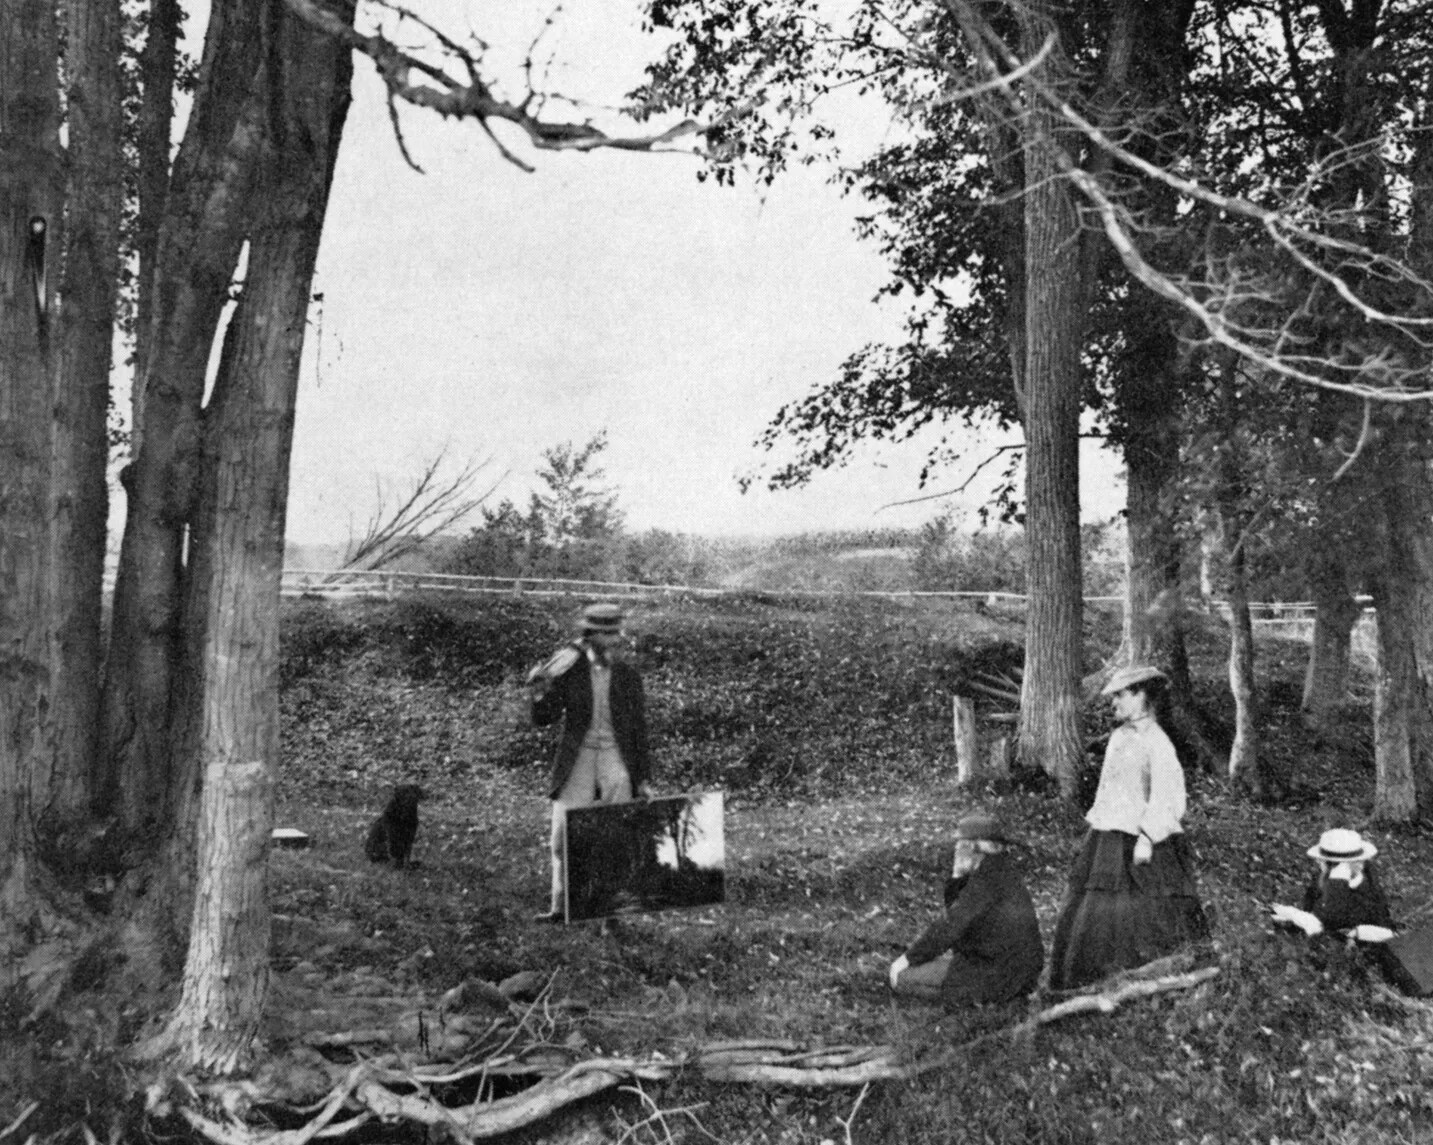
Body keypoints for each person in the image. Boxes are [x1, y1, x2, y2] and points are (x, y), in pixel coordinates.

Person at [1048, 665, 1208, 990]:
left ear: (1140, 695)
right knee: (1094, 912)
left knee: (1145, 916)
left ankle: (1143, 976)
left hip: (1143, 841)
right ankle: (1087, 979)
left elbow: (1168, 796)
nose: (1114, 703)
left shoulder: (1159, 743)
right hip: (1108, 835)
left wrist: (1148, 838)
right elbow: (1108, 789)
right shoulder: (1119, 737)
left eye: (1120, 695)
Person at [528, 601, 652, 921]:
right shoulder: (570, 672)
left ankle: (611, 912)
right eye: (603, 636)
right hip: (579, 756)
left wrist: (642, 778)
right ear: (589, 637)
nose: (611, 642)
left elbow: (638, 730)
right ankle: (561, 908)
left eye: (615, 635)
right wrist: (539, 691)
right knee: (562, 837)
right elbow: (545, 718)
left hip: (615, 758)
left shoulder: (628, 677)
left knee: (615, 836)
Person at [888, 811, 1044, 1006]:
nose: (956, 850)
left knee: (902, 978)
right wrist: (958, 875)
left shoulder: (986, 882)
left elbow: (949, 926)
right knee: (941, 966)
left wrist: (907, 959)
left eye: (960, 845)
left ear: (970, 847)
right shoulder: (1001, 871)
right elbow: (956, 910)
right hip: (1019, 972)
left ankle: (993, 1000)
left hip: (997, 975)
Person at [1270, 828, 1395, 943]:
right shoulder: (1320, 880)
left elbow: (1386, 930)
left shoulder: (1366, 892)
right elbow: (1312, 908)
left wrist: (1357, 933)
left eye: (1325, 863)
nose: (1320, 864)